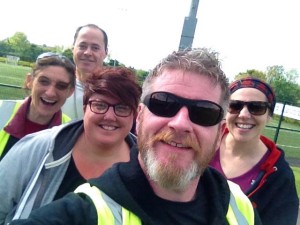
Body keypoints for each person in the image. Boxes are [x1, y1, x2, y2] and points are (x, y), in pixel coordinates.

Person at [9, 48, 262, 225]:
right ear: (139, 118)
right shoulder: (88, 210)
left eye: (204, 112)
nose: (180, 123)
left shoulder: (239, 205)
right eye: (164, 103)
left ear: (220, 133)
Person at [0, 66, 142, 225]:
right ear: (85, 108)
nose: (109, 116)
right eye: (100, 105)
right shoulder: (37, 148)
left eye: (122, 108)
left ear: (134, 115)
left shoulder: (147, 168)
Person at [210, 77, 299, 225]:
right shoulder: (202, 144)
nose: (244, 114)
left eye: (257, 107)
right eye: (235, 106)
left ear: (269, 116)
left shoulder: (280, 176)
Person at [0, 52, 75, 160]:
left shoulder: (70, 133)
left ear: (70, 91)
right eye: (44, 81)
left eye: (61, 86)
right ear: (29, 81)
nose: (50, 93)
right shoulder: (2, 110)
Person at [61, 24, 108, 119]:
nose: (87, 53)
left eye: (95, 48)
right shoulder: (57, 86)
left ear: (105, 53)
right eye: (82, 46)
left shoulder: (114, 91)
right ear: (73, 49)